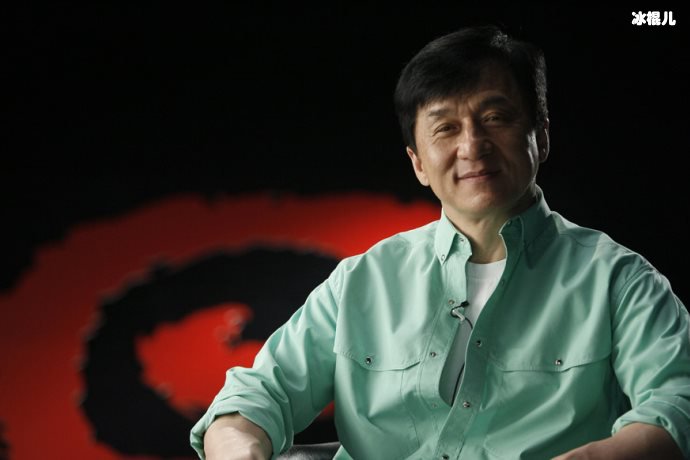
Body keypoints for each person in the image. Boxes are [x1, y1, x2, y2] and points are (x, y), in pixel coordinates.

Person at [190, 25, 690, 459]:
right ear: (418, 163)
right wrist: (239, 449)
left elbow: (678, 403)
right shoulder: (362, 281)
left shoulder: (619, 281)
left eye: (495, 117)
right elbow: (257, 395)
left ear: (541, 134)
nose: (472, 146)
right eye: (446, 128)